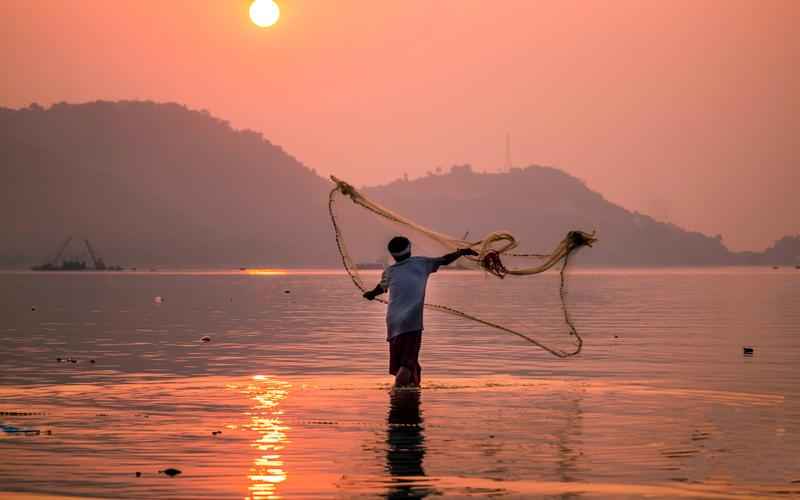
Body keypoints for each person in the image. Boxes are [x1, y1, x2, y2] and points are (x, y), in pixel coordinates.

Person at [363, 236, 478, 387]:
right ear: (409, 249)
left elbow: (380, 288)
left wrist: (371, 294)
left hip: (393, 323)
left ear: (392, 254)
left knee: (410, 364)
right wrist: (462, 252)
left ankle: (413, 392)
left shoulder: (390, 271)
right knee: (407, 364)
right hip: (411, 322)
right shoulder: (421, 263)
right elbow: (444, 260)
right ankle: (397, 395)